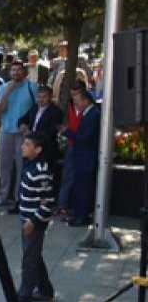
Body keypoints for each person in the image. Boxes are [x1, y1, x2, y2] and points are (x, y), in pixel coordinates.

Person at [7, 134, 55, 302]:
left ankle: (23, 298)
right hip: (27, 220)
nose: (22, 147)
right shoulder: (30, 165)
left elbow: (48, 202)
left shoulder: (40, 171)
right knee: (34, 255)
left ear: (38, 149)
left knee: (29, 260)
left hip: (34, 223)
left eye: (27, 144)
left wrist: (32, 222)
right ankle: (45, 290)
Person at [0, 61, 38, 207]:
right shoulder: (4, 87)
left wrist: (30, 127)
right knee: (4, 165)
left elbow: (38, 109)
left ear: (24, 72)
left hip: (23, 134)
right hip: (6, 131)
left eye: (19, 70)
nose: (16, 73)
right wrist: (7, 92)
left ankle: (19, 197)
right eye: (13, 70)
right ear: (9, 73)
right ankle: (2, 196)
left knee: (21, 165)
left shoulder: (32, 87)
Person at [60, 89, 101, 226]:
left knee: (83, 189)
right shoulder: (87, 113)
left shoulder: (94, 114)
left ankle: (81, 217)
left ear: (85, 100)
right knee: (80, 187)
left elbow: (85, 137)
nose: (75, 105)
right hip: (82, 157)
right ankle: (78, 214)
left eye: (77, 102)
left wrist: (67, 132)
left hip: (86, 158)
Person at [17, 85, 64, 198]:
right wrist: (22, 125)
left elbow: (50, 132)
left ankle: (43, 202)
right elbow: (22, 119)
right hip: (31, 150)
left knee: (42, 178)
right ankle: (24, 199)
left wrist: (31, 135)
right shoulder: (34, 108)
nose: (41, 100)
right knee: (27, 174)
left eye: (44, 97)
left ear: (50, 97)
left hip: (45, 150)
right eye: (39, 97)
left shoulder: (56, 111)